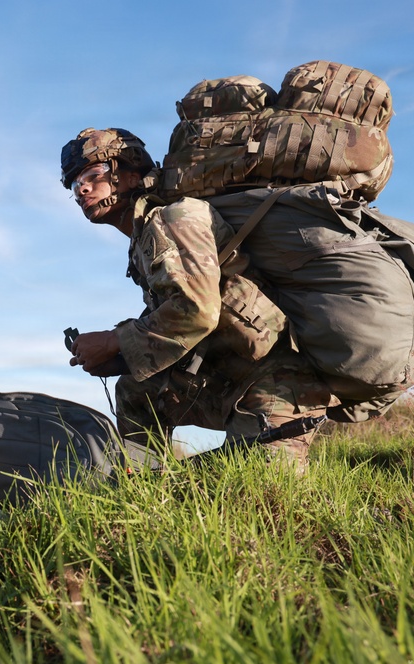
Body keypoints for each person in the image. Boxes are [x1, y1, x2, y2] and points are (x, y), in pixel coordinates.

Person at [60, 127, 333, 472]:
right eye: (74, 184)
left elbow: (198, 310)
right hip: (229, 377)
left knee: (262, 500)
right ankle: (144, 484)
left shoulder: (174, 218)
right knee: (135, 391)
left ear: (130, 176)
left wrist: (115, 340)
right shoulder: (144, 237)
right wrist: (120, 358)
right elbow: (176, 319)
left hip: (279, 383)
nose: (82, 188)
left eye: (93, 175)